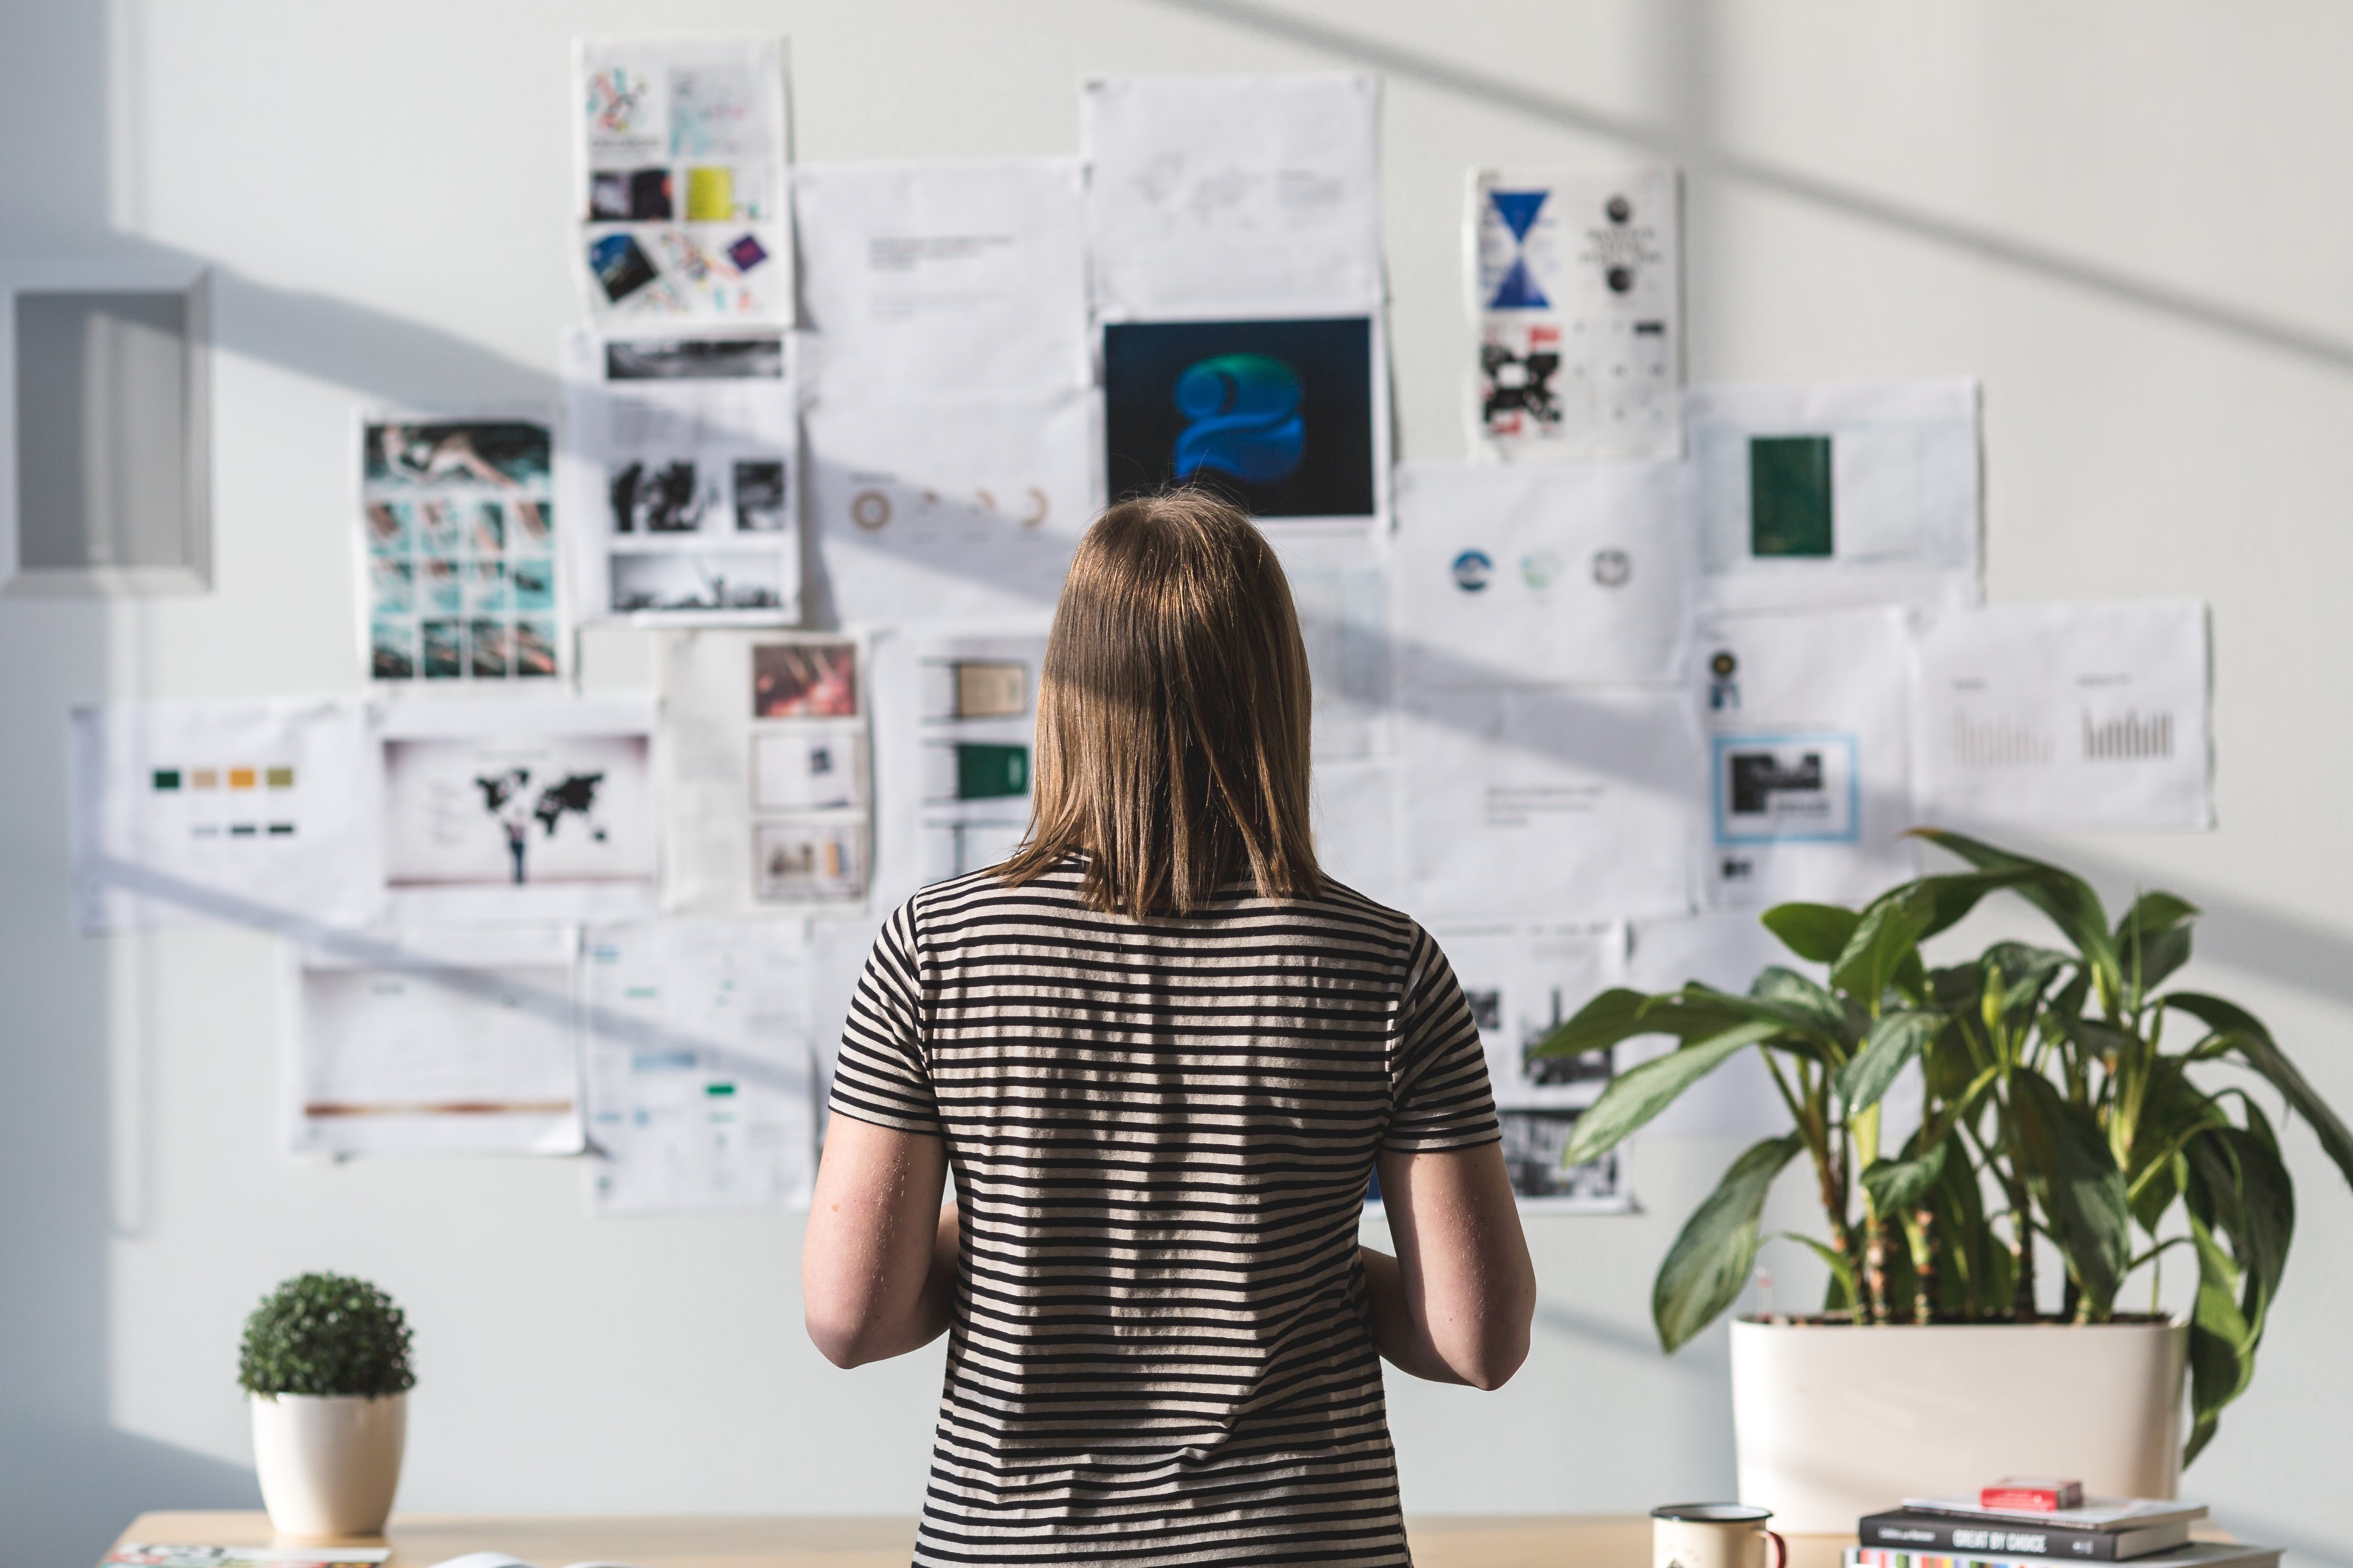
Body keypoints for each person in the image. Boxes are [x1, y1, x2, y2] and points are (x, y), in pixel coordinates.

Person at [802, 489, 1536, 1567]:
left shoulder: (935, 947)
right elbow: (1475, 1339)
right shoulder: (1386, 962)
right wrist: (1291, 1263)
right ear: (1278, 688)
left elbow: (852, 1318)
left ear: (1067, 690)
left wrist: (1019, 1241)